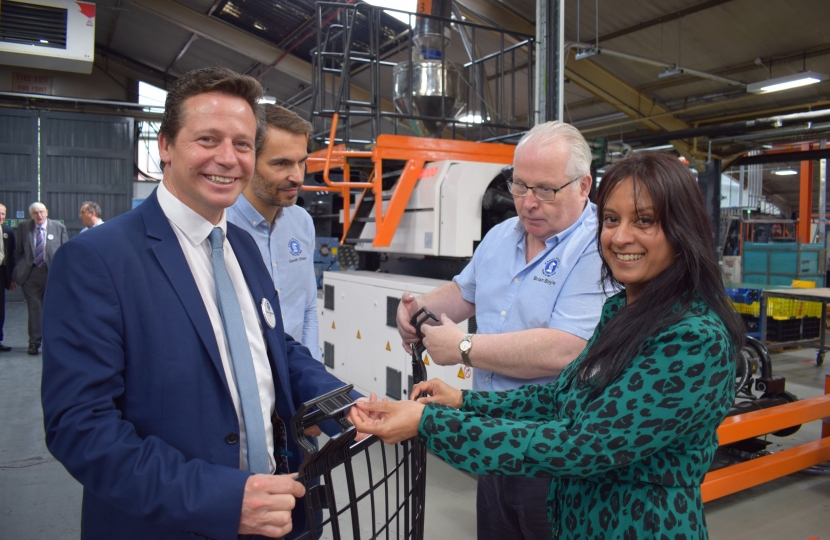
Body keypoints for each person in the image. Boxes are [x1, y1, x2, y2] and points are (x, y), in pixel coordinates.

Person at [351, 151, 745, 540]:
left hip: (637, 524)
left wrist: (428, 423)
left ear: (682, 230)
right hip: (576, 517)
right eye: (611, 220)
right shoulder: (621, 311)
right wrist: (464, 402)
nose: (621, 237)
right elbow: (561, 398)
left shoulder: (693, 339)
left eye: (644, 221)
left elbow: (585, 446)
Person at [41, 67, 361, 540]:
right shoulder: (98, 260)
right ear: (164, 147)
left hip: (273, 507)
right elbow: (81, 427)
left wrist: (347, 403)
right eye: (208, 139)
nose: (228, 159)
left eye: (244, 144)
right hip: (172, 521)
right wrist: (222, 500)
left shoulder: (243, 249)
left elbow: (275, 350)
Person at [394, 121, 606, 539]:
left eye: (545, 189)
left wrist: (464, 347)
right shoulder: (500, 236)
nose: (528, 202)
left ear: (584, 186)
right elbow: (465, 292)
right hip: (491, 436)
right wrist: (418, 308)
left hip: (556, 450)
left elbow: (566, 350)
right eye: (519, 185)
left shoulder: (598, 247)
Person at [227, 104, 321, 361]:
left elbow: (308, 307)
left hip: (295, 374)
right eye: (281, 164)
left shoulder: (302, 222)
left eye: (302, 162)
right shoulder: (220, 226)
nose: (298, 177)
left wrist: (313, 374)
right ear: (248, 160)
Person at [13, 202, 67, 355]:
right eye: (35, 213)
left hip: (52, 274)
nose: (39, 215)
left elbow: (65, 253)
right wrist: (19, 269)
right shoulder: (24, 227)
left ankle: (55, 343)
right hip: (31, 275)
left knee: (53, 309)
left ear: (47, 212)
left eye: (42, 212)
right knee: (35, 309)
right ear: (31, 215)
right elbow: (18, 252)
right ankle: (34, 343)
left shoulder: (58, 227)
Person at [0, 203, 15, 351]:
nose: (1, 216)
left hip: (2, 274)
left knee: (0, 309)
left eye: (3, 214)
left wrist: (11, 278)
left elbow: (12, 256)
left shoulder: (8, 231)